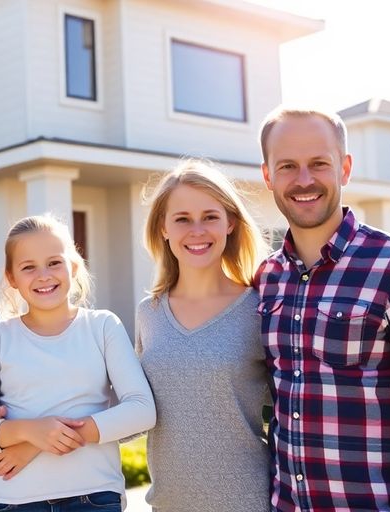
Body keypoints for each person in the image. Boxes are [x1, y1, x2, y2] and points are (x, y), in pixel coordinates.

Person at [256, 107, 390, 511]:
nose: (304, 180)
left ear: (345, 167)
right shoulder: (267, 278)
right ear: (268, 175)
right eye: (287, 166)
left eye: (319, 163)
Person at [0, 215, 156, 511]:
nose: (43, 275)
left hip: (95, 498)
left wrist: (36, 444)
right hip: (15, 502)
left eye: (54, 262)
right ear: (11, 277)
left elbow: (142, 410)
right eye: (28, 267)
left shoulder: (102, 327)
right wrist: (29, 432)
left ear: (73, 267)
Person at [135, 160, 271, 511]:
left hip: (247, 501)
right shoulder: (148, 314)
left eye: (210, 216)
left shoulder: (260, 309)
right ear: (163, 228)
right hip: (168, 504)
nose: (196, 230)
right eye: (182, 219)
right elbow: (132, 413)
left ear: (230, 224)